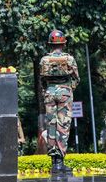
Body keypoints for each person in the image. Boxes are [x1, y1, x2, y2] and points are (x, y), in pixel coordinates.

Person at [40, 30, 80, 174]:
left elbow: (42, 80)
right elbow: (76, 78)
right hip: (65, 93)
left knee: (51, 125)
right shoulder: (69, 59)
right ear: (64, 43)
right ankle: (60, 162)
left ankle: (53, 161)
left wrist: (48, 91)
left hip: (50, 94)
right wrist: (68, 89)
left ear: (50, 43)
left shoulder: (44, 59)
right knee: (63, 126)